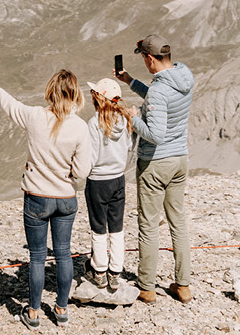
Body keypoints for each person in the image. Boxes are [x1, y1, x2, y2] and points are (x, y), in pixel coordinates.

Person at [0, 70, 93, 328]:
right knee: (64, 254)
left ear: (50, 92)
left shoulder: (35, 117)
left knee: (37, 257)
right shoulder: (80, 126)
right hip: (65, 198)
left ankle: (33, 313)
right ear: (75, 94)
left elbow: (13, 107)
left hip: (36, 197)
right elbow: (81, 172)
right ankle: (61, 309)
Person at [115, 33, 195, 305]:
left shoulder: (161, 89)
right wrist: (130, 82)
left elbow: (155, 133)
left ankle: (147, 287)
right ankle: (183, 285)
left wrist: (132, 117)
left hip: (156, 163)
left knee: (149, 225)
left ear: (150, 58)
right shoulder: (184, 75)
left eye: (145, 61)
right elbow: (159, 99)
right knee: (178, 222)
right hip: (180, 160)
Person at [84, 78, 133, 292]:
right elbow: (129, 147)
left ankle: (100, 270)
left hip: (97, 180)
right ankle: (116, 271)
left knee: (98, 227)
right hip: (118, 179)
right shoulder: (124, 120)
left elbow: (91, 156)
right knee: (117, 227)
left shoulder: (94, 123)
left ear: (98, 97)